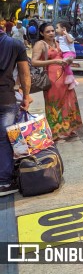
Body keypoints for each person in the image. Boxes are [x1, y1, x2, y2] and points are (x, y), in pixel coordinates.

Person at [31, 23, 82, 141]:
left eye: (52, 31)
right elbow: (34, 62)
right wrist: (53, 61)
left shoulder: (58, 42)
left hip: (64, 77)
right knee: (54, 104)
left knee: (68, 101)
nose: (51, 33)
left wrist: (68, 61)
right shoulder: (40, 44)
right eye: (48, 31)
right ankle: (55, 131)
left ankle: (68, 128)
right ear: (42, 33)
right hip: (52, 78)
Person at [0, 26, 31, 196]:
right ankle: (4, 182)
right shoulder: (15, 44)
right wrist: (26, 96)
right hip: (5, 98)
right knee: (5, 139)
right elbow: (25, 75)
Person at [55, 21, 78, 89]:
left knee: (64, 64)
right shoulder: (58, 37)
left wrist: (66, 33)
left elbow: (70, 41)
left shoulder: (68, 35)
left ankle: (72, 80)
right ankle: (72, 80)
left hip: (69, 53)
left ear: (63, 28)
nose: (56, 30)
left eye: (57, 28)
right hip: (64, 53)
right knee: (65, 67)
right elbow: (54, 40)